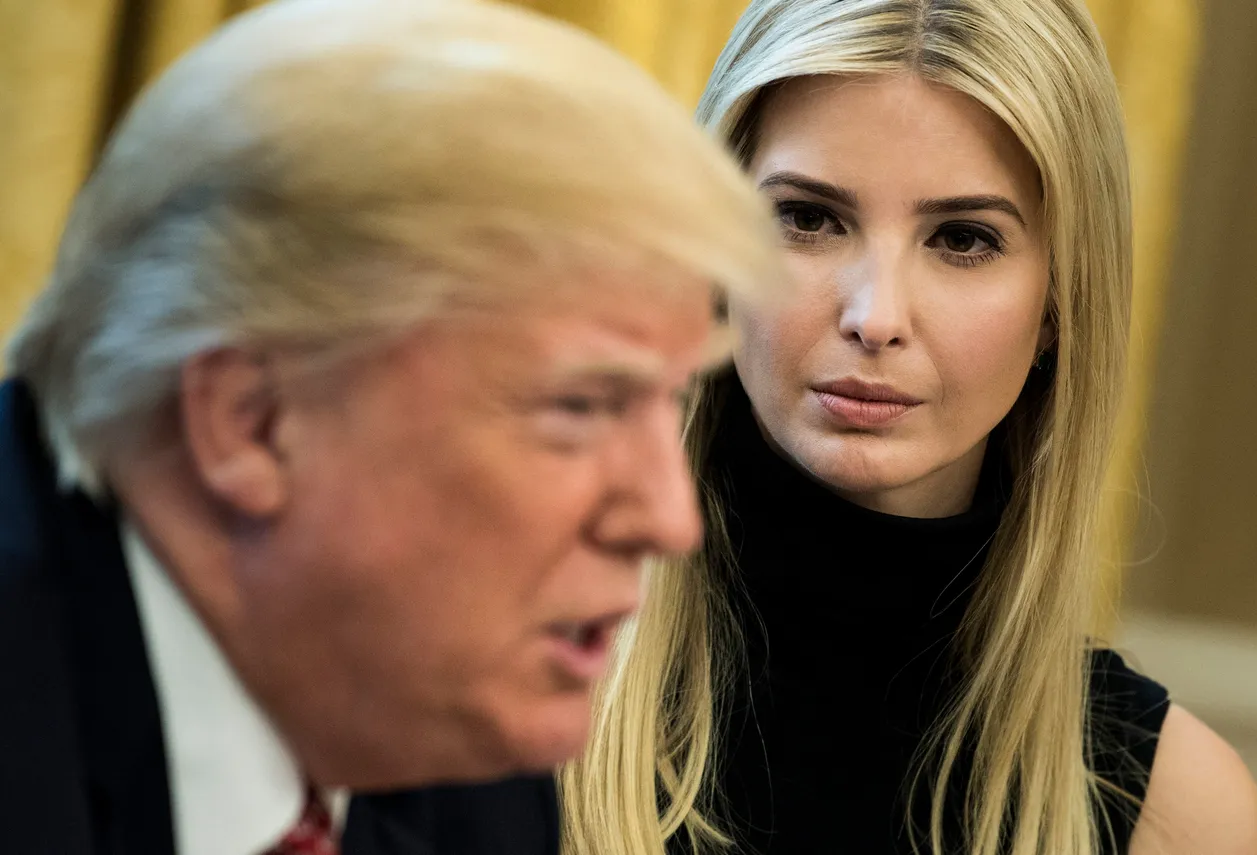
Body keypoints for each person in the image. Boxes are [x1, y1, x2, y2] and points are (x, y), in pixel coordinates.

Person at [0, 0, 784, 852]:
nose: (671, 519)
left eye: (672, 402)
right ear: (251, 422)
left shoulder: (468, 761)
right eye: (581, 407)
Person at [560, 1, 1257, 854]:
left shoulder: (1174, 809)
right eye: (809, 218)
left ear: (1060, 303)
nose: (876, 315)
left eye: (963, 238)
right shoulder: (504, 678)